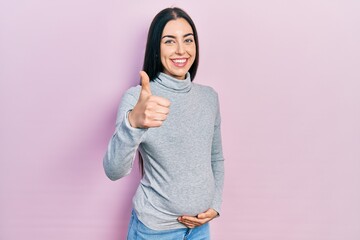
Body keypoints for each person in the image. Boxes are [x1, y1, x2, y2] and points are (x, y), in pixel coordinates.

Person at [103, 7, 224, 240]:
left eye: (188, 40)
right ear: (156, 49)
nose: (181, 50)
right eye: (169, 41)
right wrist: (133, 124)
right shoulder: (138, 99)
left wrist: (215, 205)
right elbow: (113, 171)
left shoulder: (209, 97)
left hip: (200, 229)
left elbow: (215, 158)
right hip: (154, 230)